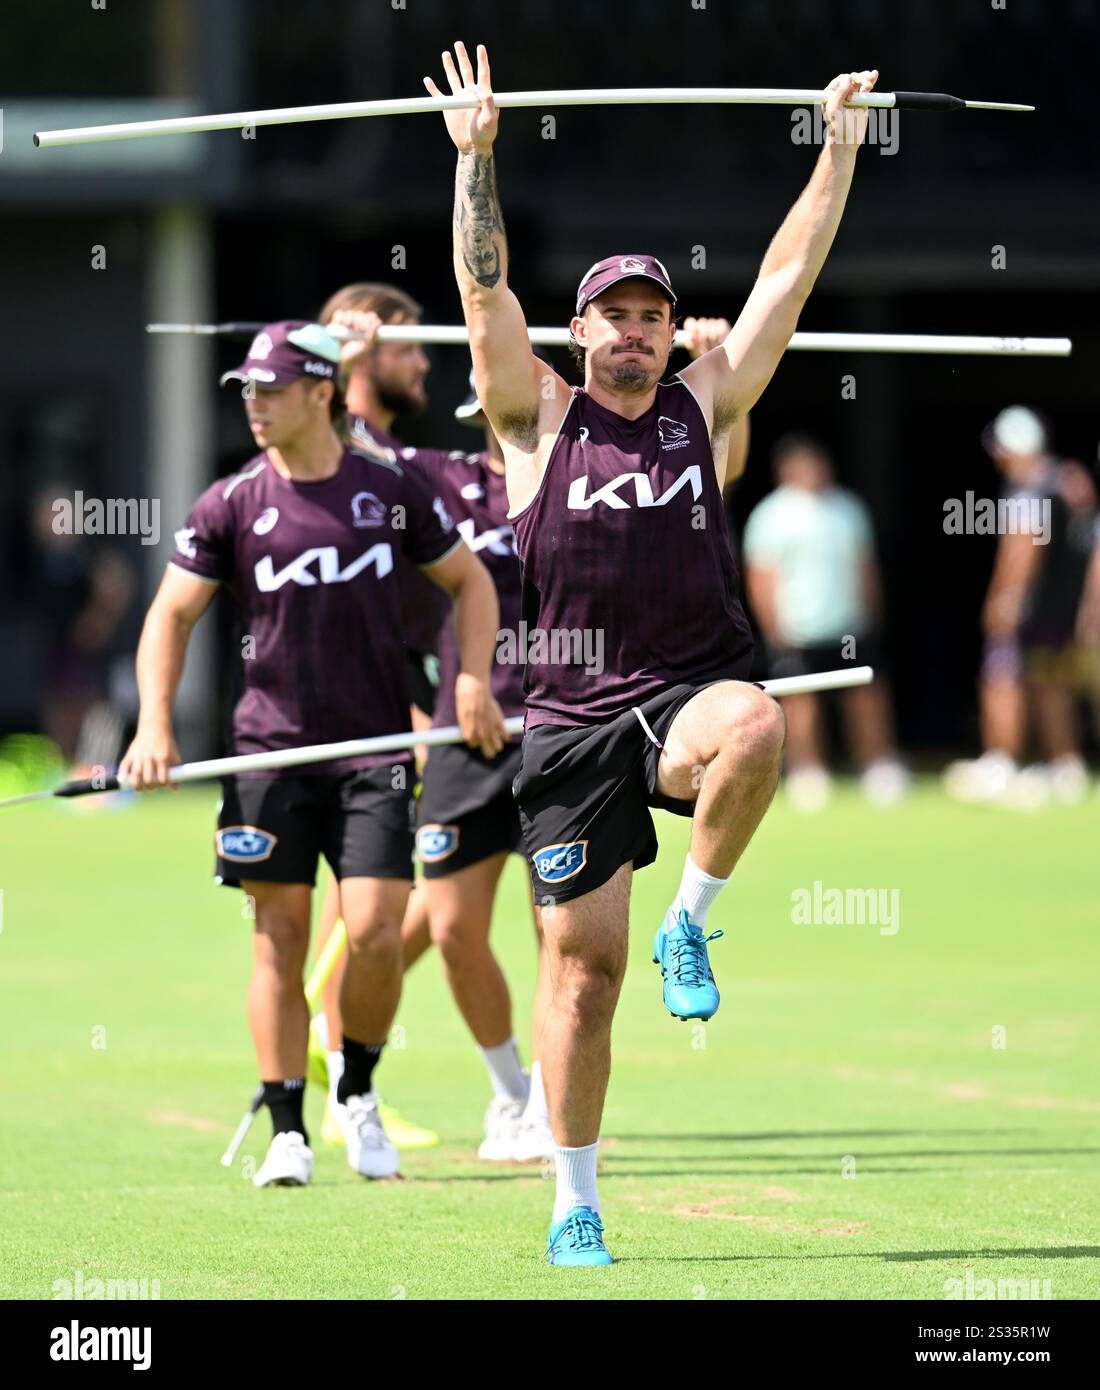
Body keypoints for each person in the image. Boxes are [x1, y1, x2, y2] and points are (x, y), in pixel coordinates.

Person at [425, 41, 878, 1264]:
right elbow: (482, 294)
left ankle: (697, 916)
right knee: (583, 975)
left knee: (758, 724)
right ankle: (574, 1197)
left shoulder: (707, 401)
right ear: (577, 332)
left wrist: (834, 145)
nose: (632, 334)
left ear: (675, 332)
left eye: (650, 317)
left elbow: (789, 273)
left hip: (685, 694)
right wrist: (476, 163)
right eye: (612, 317)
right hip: (569, 715)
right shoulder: (533, 415)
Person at [119, 320, 504, 1188]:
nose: (255, 406)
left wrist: (471, 680)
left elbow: (469, 581)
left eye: (272, 389)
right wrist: (154, 723)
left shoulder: (390, 488)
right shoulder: (231, 501)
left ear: (322, 392)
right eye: (246, 391)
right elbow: (169, 615)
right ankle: (287, 1125)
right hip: (268, 757)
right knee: (278, 938)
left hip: (371, 752)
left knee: (371, 931)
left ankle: (356, 1092)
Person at [742, 433, 908, 810]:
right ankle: (807, 771)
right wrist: (774, 628)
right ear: (785, 471)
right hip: (798, 628)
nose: (815, 471)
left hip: (848, 625)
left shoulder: (847, 508)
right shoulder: (771, 514)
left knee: (866, 693)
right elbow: (761, 575)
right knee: (802, 701)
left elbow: (865, 566)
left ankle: (877, 764)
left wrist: (871, 612)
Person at [944, 407, 1096, 807]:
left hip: (1033, 606)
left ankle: (1002, 762)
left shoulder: (1030, 488)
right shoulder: (1069, 481)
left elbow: (1022, 547)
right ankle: (1066, 765)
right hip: (1061, 608)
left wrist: (1005, 598)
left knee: (1001, 679)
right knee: (1052, 684)